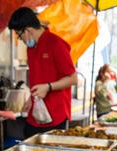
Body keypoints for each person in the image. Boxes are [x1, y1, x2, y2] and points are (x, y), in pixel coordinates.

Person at [8, 7, 77, 138]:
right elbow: (38, 77)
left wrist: (48, 87)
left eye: (19, 34)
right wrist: (30, 99)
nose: (20, 39)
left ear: (28, 30)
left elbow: (73, 79)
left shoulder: (56, 44)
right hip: (35, 115)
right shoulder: (31, 48)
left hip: (55, 115)